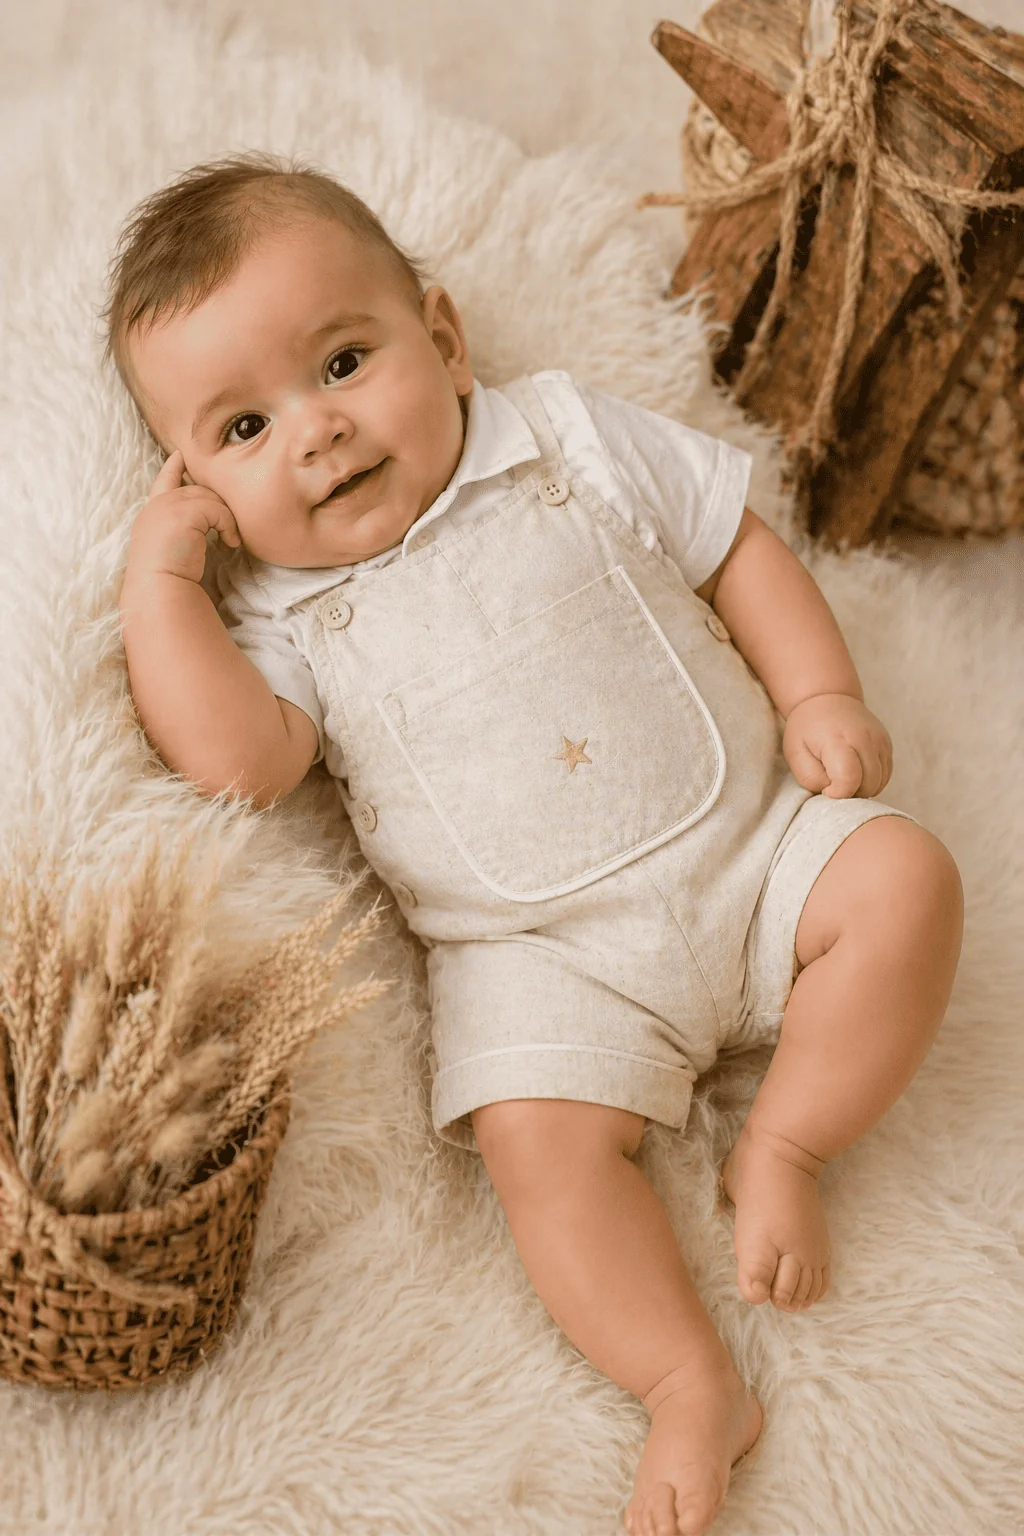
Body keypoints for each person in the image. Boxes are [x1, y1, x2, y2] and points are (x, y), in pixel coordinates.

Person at [109, 150, 964, 1536]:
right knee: (534, 1148)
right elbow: (239, 766)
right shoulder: (273, 608)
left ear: (444, 342)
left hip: (755, 853)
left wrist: (820, 696)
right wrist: (163, 584)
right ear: (195, 482)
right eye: (245, 428)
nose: (317, 432)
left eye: (342, 362)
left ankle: (788, 1146)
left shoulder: (564, 434)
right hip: (547, 964)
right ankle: (686, 1380)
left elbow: (732, 545)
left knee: (907, 879)